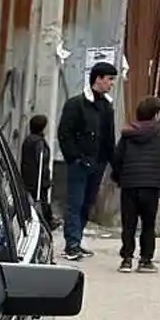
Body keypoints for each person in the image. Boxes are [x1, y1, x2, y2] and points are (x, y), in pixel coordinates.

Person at [56, 63, 118, 260]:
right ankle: (71, 244)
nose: (111, 84)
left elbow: (109, 138)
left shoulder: (106, 106)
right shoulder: (77, 104)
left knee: (87, 204)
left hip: (98, 164)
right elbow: (65, 133)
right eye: (109, 79)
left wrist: (113, 163)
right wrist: (74, 158)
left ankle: (78, 240)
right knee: (75, 203)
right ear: (97, 79)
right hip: (80, 163)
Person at [110, 95, 160, 273]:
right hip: (151, 185)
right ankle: (145, 260)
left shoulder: (128, 134)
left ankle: (127, 259)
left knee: (128, 223)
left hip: (129, 184)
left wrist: (118, 178)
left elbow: (117, 158)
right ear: (154, 115)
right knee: (148, 224)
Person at [20, 113, 54, 228]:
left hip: (28, 178)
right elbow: (41, 161)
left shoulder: (28, 140)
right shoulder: (39, 142)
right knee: (41, 201)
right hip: (38, 181)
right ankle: (46, 222)